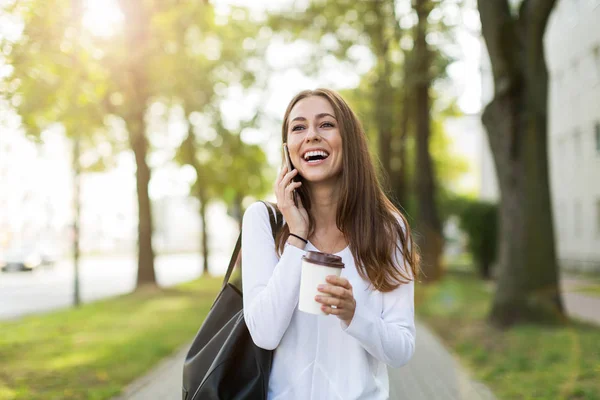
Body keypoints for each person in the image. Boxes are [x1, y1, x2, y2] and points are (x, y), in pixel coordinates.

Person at [241, 88, 418, 400]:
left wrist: (354, 314)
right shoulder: (264, 222)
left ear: (348, 140)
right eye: (298, 127)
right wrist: (297, 236)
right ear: (288, 149)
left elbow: (401, 350)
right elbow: (264, 334)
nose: (311, 135)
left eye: (326, 124)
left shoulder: (389, 228)